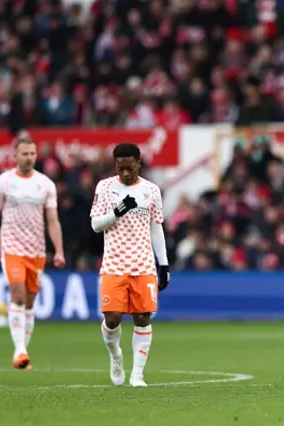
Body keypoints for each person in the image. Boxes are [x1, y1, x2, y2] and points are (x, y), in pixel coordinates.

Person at [0, 132, 65, 370]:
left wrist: (59, 250)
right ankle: (20, 350)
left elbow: (52, 220)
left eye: (32, 153)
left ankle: (23, 352)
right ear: (15, 155)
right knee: (18, 294)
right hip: (11, 248)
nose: (29, 158)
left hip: (36, 251)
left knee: (30, 303)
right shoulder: (2, 183)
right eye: (24, 154)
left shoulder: (46, 184)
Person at [90, 142, 170, 387]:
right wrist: (117, 212)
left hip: (143, 265)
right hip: (114, 264)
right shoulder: (104, 187)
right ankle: (116, 356)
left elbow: (156, 227)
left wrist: (164, 264)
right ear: (115, 165)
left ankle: (137, 374)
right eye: (120, 168)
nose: (125, 173)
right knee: (112, 318)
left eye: (129, 167)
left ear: (139, 163)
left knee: (143, 317)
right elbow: (95, 225)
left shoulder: (151, 191)